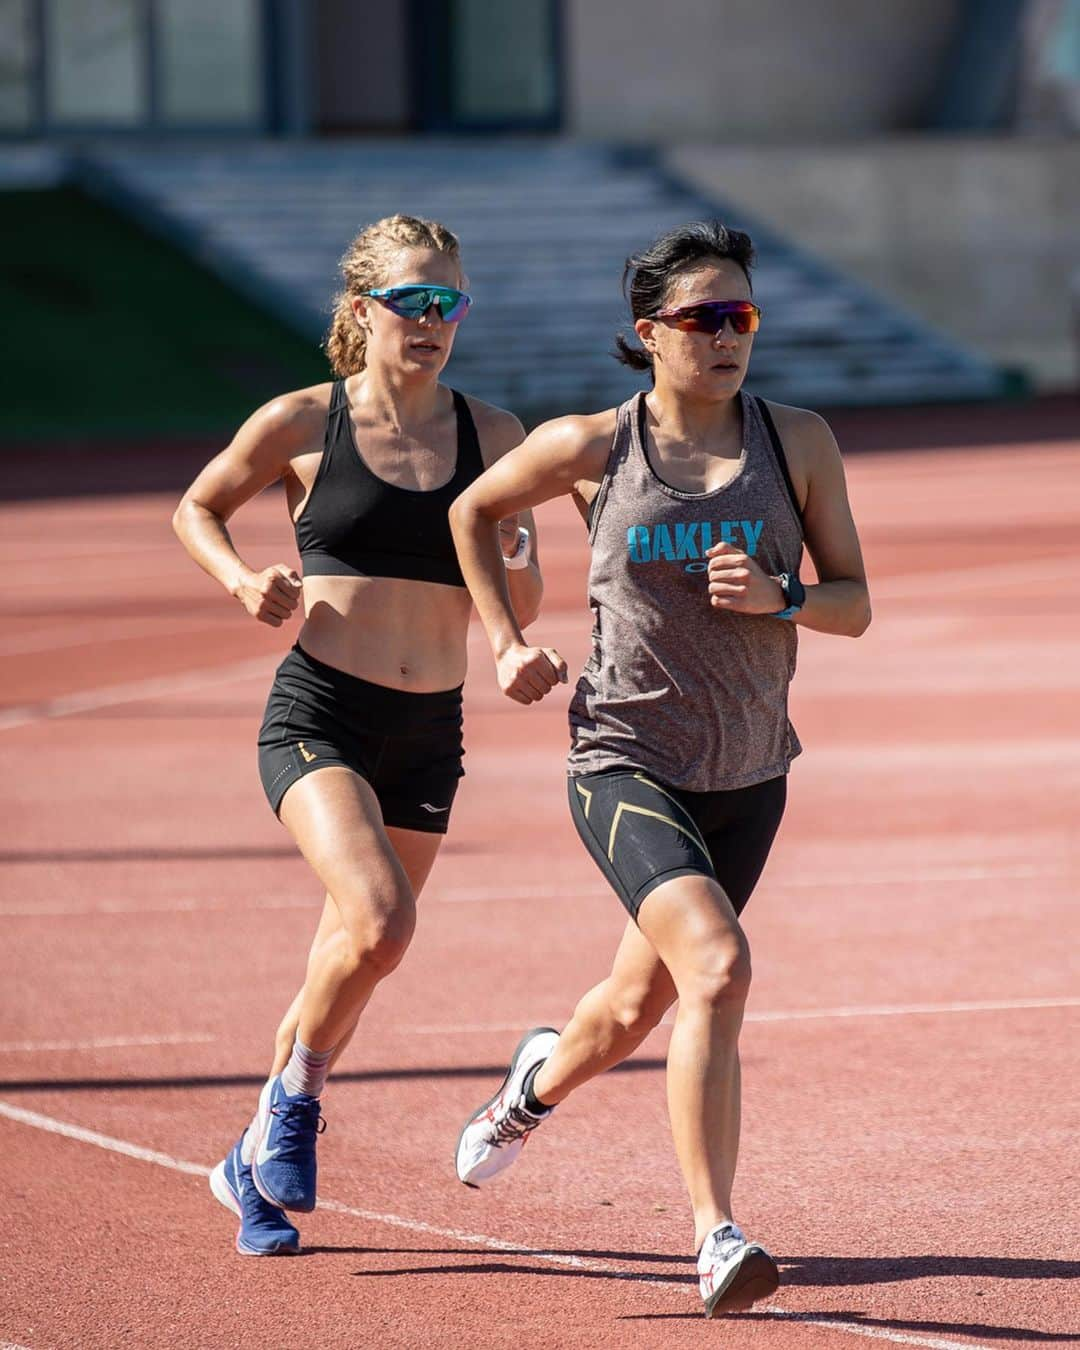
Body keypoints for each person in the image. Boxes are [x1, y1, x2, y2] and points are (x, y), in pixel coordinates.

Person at [449, 220, 870, 1316]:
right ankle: (716, 1235)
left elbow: (856, 603)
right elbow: (473, 508)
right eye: (703, 318)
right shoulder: (592, 445)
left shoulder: (798, 442)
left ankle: (526, 1093)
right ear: (650, 334)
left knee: (633, 1006)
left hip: (750, 770)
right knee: (719, 967)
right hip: (625, 758)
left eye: (743, 316)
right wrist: (502, 639)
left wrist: (784, 597)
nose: (728, 336)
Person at [172, 214, 540, 1256]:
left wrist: (518, 599)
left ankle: (250, 1162)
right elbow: (197, 508)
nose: (432, 322)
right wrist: (245, 577)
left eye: (450, 303)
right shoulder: (301, 421)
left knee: (346, 954)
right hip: (320, 714)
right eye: (413, 301)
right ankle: (296, 1105)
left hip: (432, 731)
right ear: (364, 306)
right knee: (381, 924)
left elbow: (528, 587)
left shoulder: (497, 437)